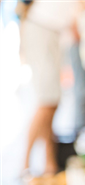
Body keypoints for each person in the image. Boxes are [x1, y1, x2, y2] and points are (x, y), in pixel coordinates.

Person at [19, 0, 78, 175]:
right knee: (48, 99)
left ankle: (49, 162)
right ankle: (24, 165)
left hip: (51, 30)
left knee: (52, 102)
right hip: (41, 28)